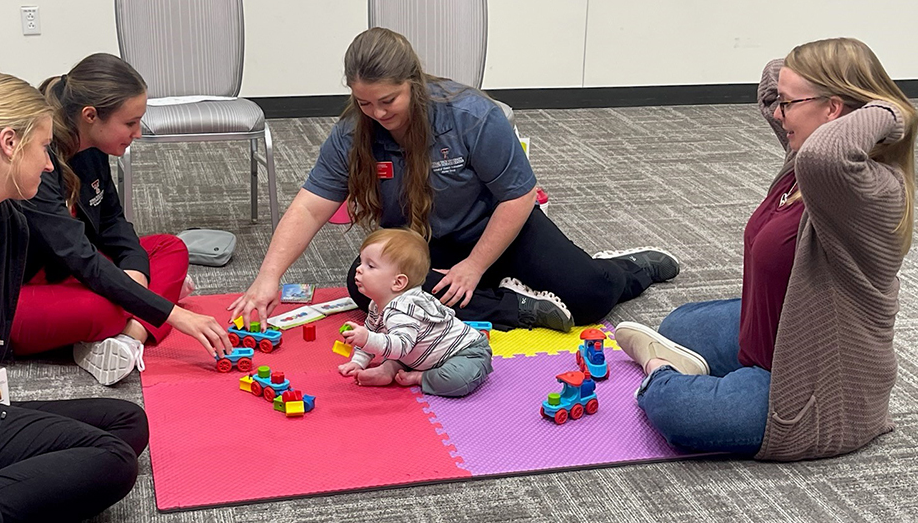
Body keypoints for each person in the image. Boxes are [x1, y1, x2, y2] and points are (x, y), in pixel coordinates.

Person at [230, 27, 679, 334]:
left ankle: (626, 268)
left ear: (414, 82)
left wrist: (475, 265)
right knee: (366, 287)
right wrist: (269, 277)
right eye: (364, 103)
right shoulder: (353, 131)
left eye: (388, 100)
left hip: (501, 227)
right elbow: (311, 205)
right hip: (424, 242)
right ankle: (515, 307)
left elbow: (519, 197)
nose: (378, 114)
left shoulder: (470, 116)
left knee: (589, 300)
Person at [614, 38, 916, 461]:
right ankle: (710, 370)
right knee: (678, 324)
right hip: (782, 329)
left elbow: (828, 154)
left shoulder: (866, 187)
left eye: (790, 104)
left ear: (833, 110)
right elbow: (772, 80)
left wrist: (891, 108)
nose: (777, 112)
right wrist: (815, 90)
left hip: (819, 385)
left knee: (675, 410)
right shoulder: (803, 157)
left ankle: (661, 373)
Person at [0, 70, 149, 522]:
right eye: (44, 147)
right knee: (113, 459)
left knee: (128, 422)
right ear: (9, 142)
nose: (49, 165)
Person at [9, 53, 229, 386]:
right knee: (103, 308)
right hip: (21, 293)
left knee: (170, 248)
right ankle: (142, 309)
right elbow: (80, 258)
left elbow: (112, 221)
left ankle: (129, 338)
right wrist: (171, 311)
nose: (137, 133)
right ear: (90, 116)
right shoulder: (38, 163)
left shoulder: (92, 146)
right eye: (130, 123)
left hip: (71, 271)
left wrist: (136, 273)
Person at [338, 228, 493, 397]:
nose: (359, 269)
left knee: (456, 381)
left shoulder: (404, 309)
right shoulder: (376, 305)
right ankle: (390, 369)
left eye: (370, 266)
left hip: (466, 352)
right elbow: (374, 333)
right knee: (394, 349)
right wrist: (358, 361)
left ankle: (421, 376)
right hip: (419, 351)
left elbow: (400, 346)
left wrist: (367, 339)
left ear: (398, 282)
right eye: (361, 262)